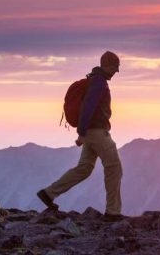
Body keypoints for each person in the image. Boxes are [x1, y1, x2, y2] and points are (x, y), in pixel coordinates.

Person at [37, 51, 124, 222]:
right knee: (114, 168)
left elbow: (87, 107)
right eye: (115, 67)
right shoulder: (99, 82)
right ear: (108, 66)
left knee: (84, 168)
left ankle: (48, 194)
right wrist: (81, 132)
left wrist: (82, 134)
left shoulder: (94, 79)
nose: (116, 71)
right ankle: (113, 212)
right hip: (98, 133)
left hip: (90, 134)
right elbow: (88, 106)